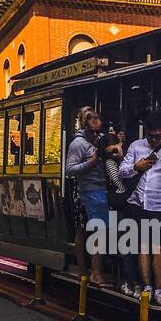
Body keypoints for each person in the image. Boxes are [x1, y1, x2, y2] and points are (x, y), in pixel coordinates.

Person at [120, 111, 161, 307]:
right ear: (145, 133)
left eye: (158, 136)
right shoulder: (136, 146)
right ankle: (147, 286)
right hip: (139, 202)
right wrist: (136, 167)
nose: (155, 140)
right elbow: (122, 170)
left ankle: (159, 289)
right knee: (143, 247)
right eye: (151, 136)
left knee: (159, 249)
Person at [65, 109, 108, 285]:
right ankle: (91, 272)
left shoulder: (102, 138)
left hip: (102, 189)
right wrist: (91, 162)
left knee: (90, 230)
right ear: (84, 122)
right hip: (87, 191)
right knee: (96, 231)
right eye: (90, 118)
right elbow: (69, 169)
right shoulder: (78, 144)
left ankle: (88, 271)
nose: (96, 120)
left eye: (97, 117)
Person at [98, 131, 142, 295]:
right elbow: (121, 185)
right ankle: (130, 281)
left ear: (120, 144)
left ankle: (130, 281)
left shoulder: (130, 154)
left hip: (132, 205)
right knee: (126, 244)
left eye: (115, 149)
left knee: (134, 244)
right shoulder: (111, 163)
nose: (114, 154)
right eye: (110, 152)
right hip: (120, 206)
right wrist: (136, 170)